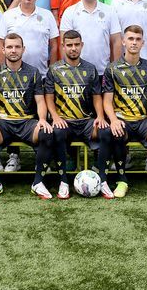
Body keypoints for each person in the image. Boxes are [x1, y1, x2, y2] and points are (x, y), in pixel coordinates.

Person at [99, 25, 147, 198]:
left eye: (138, 39)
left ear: (143, 43)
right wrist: (113, 120)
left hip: (144, 121)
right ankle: (122, 180)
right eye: (130, 39)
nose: (134, 42)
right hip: (122, 120)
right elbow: (107, 101)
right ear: (123, 42)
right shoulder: (112, 69)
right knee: (114, 132)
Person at [0, 33, 55, 199]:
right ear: (3, 50)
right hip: (2, 123)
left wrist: (43, 120)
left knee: (47, 132)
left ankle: (38, 182)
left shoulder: (33, 72)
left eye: (17, 47)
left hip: (27, 122)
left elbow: (40, 101)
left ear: (23, 49)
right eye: (9, 47)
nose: (13, 50)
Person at [46, 30, 107, 199]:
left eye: (76, 45)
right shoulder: (54, 69)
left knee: (105, 131)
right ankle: (63, 181)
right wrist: (55, 117)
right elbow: (49, 98)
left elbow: (97, 97)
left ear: (82, 45)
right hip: (65, 121)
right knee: (56, 132)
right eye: (70, 45)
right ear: (63, 46)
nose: (73, 48)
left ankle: (102, 179)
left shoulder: (90, 68)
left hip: (86, 121)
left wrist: (100, 117)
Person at [59, 0, 122, 76]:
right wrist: (69, 70)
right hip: (77, 72)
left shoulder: (110, 11)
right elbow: (64, 44)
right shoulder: (70, 12)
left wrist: (116, 69)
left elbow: (116, 41)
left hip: (103, 71)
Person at [0, 0, 59, 75]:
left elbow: (54, 46)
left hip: (41, 75)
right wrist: (1, 73)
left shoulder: (47, 15)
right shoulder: (7, 16)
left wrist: (52, 73)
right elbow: (1, 45)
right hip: (12, 76)